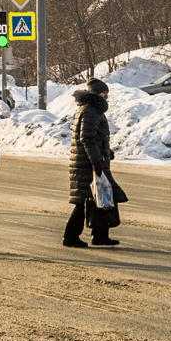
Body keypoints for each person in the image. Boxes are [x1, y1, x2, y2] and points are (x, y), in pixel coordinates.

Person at [63, 77, 121, 247]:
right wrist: (96, 162)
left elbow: (94, 137)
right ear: (96, 94)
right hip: (87, 164)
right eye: (104, 93)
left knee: (101, 198)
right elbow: (87, 139)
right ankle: (70, 237)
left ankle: (100, 235)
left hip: (90, 160)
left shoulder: (91, 110)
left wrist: (106, 151)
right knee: (86, 200)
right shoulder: (90, 111)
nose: (107, 96)